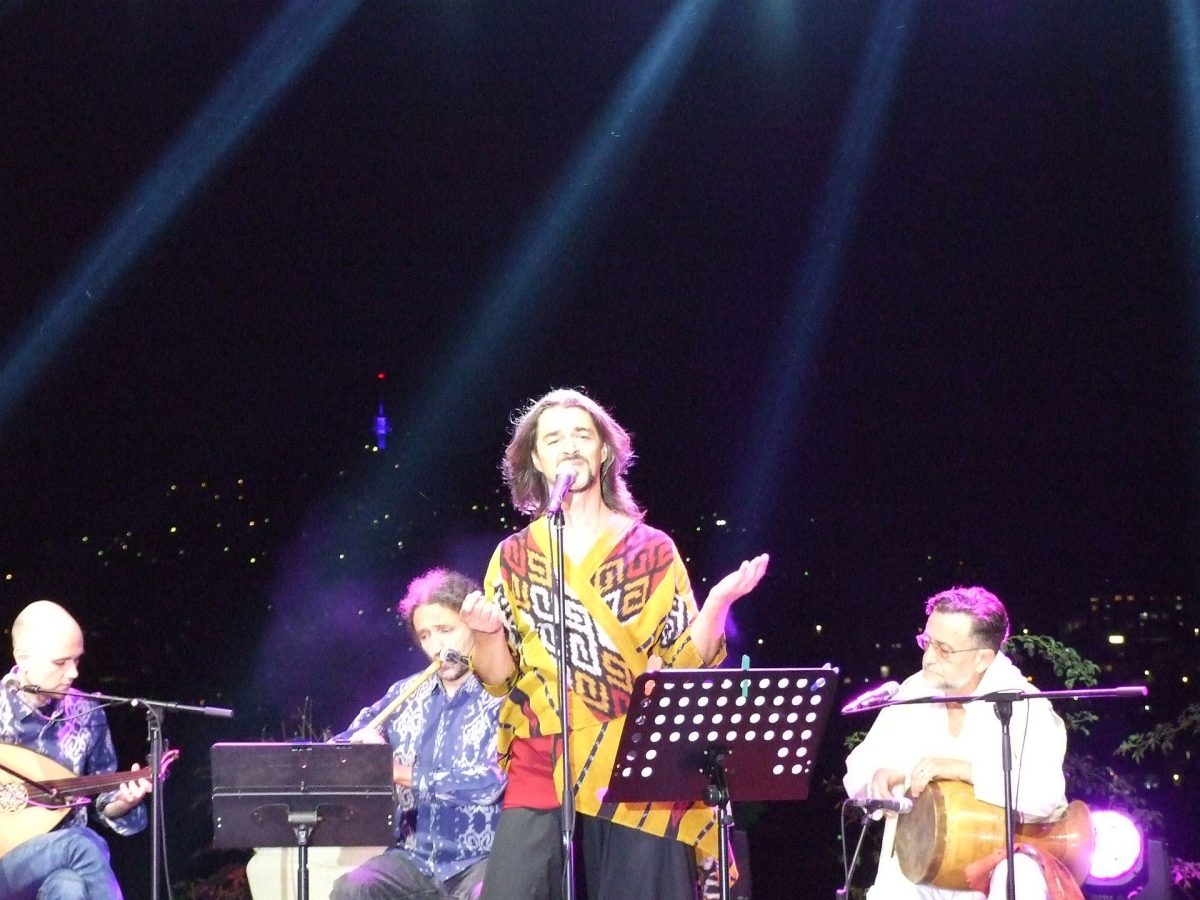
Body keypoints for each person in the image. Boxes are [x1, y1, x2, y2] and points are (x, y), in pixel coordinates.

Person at [461, 387, 769, 900]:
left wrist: (717, 604)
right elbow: (498, 678)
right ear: (535, 458)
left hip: (631, 754)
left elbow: (684, 662)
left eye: (582, 435)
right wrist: (487, 633)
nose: (569, 447)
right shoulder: (513, 557)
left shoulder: (652, 550)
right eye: (553, 439)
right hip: (542, 755)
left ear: (604, 451)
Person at [843, 586, 1076, 900]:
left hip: (1000, 861)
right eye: (926, 642)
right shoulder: (915, 690)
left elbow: (1045, 794)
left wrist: (965, 770)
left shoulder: (1023, 703)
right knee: (893, 889)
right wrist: (877, 778)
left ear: (982, 659)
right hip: (922, 866)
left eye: (944, 649)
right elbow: (859, 767)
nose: (928, 658)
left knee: (1020, 879)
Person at [329, 569, 506, 900]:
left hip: (481, 859)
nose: (437, 646)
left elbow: (490, 783)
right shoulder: (404, 694)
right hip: (413, 859)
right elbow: (341, 744)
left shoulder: (500, 693)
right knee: (353, 889)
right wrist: (361, 752)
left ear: (473, 626)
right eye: (425, 635)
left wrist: (396, 771)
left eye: (446, 630)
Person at [0, 600, 152, 900]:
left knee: (69, 886)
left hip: (64, 863)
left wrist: (123, 803)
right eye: (60, 662)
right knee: (81, 843)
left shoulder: (86, 712)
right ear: (23, 658)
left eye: (77, 660)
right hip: (7, 865)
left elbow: (101, 799)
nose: (73, 673)